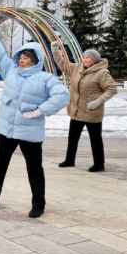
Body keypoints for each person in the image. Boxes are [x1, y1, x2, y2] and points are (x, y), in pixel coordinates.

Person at [0, 17, 70, 218]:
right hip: (6, 130)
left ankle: (38, 205)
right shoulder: (10, 71)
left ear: (36, 60)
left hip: (29, 133)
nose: (21, 59)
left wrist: (40, 111)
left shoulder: (45, 78)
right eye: (21, 56)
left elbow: (63, 95)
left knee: (34, 170)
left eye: (27, 57)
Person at [51, 42, 117, 172]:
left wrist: (99, 101)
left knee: (95, 138)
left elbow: (111, 89)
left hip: (92, 111)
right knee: (73, 137)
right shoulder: (77, 68)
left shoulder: (102, 73)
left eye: (88, 57)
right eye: (84, 57)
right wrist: (55, 51)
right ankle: (70, 160)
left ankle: (99, 164)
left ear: (95, 60)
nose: (85, 60)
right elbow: (63, 64)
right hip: (76, 110)